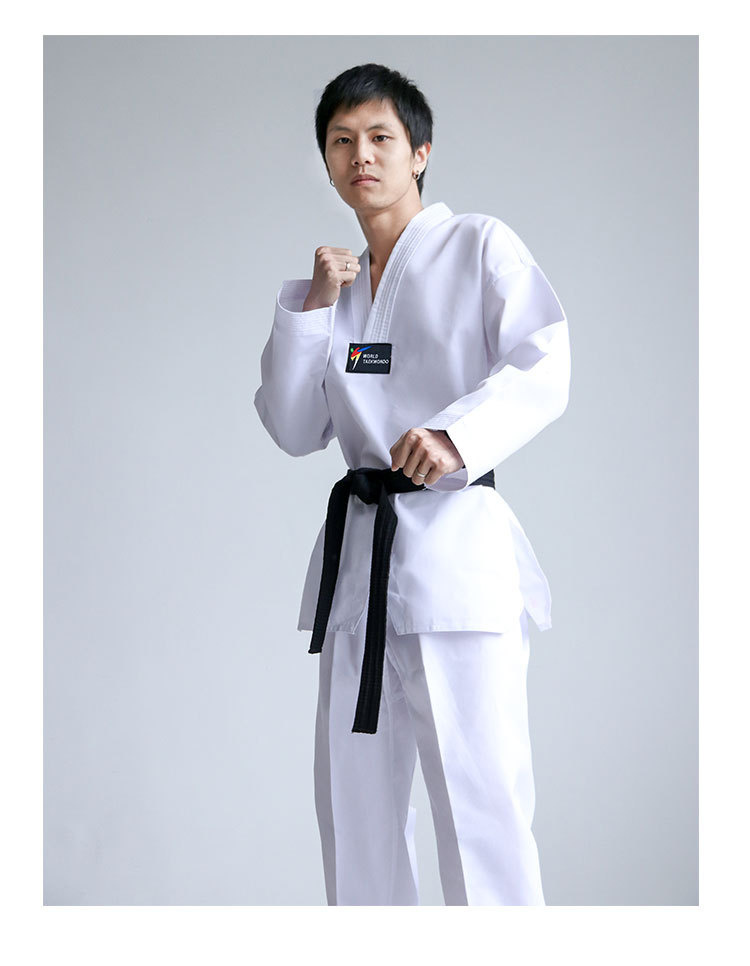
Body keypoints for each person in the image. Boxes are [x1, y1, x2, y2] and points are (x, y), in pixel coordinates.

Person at [253, 63, 571, 906]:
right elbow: (293, 426)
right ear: (327, 162)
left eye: (379, 137)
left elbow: (545, 358)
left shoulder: (479, 246)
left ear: (420, 151)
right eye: (341, 141)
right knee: (354, 816)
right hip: (360, 571)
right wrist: (313, 308)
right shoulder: (337, 290)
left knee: (482, 805)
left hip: (456, 560)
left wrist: (456, 435)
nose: (360, 155)